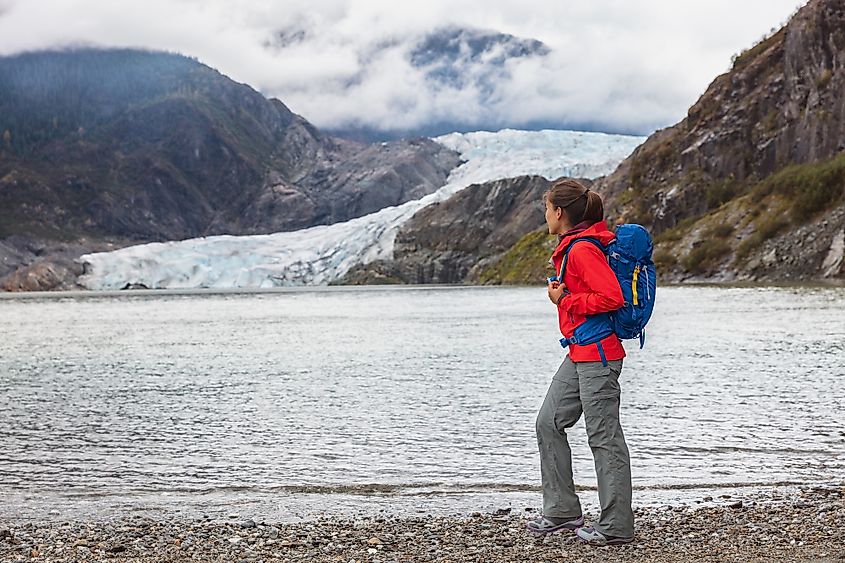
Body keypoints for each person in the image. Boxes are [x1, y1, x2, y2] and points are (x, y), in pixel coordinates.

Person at [525, 178, 634, 545]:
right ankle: (561, 511)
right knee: (548, 422)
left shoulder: (583, 250)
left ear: (559, 212)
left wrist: (564, 301)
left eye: (546, 209)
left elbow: (611, 297)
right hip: (579, 352)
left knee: (604, 438)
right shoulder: (572, 247)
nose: (545, 215)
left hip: (599, 357)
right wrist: (568, 297)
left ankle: (616, 526)